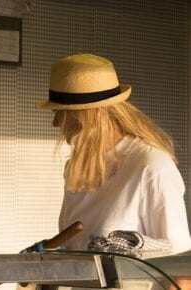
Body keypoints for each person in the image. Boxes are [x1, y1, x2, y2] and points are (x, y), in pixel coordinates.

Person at [39, 53, 191, 255]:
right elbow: (77, 249)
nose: (56, 123)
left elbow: (179, 267)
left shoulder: (150, 166)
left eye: (61, 113)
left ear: (88, 116)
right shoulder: (78, 168)